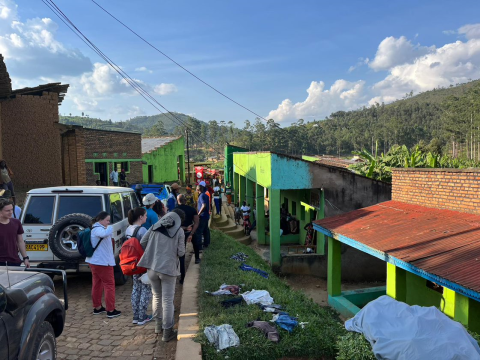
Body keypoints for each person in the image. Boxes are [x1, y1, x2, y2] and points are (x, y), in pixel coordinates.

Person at [138, 209, 186, 341]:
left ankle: (157, 327)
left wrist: (154, 250)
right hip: (168, 269)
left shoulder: (155, 226)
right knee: (167, 300)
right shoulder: (179, 231)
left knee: (157, 297)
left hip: (152, 267)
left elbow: (142, 241)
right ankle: (167, 332)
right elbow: (181, 253)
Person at [86, 211, 121, 318]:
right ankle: (110, 310)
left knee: (97, 284)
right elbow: (104, 234)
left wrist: (108, 227)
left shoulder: (95, 228)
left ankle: (97, 307)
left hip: (95, 262)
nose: (108, 222)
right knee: (109, 285)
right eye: (107, 220)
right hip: (103, 263)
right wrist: (112, 227)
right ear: (100, 220)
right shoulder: (98, 229)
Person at [126, 207, 152, 326]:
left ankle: (135, 316)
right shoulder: (142, 230)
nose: (146, 217)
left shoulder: (128, 229)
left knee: (136, 288)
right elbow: (148, 247)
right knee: (145, 289)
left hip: (131, 263)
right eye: (145, 215)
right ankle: (143, 317)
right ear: (140, 217)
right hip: (142, 263)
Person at [0, 197, 29, 268]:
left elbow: (20, 241)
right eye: (7, 211)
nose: (11, 212)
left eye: (12, 210)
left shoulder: (16, 222)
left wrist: (25, 258)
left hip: (14, 261)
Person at [177, 194, 200, 276]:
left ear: (178, 201)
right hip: (191, 230)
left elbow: (172, 224)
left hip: (180, 232)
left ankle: (181, 266)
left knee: (181, 249)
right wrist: (192, 233)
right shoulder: (192, 209)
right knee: (196, 243)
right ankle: (197, 258)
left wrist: (183, 228)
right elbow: (197, 222)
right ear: (185, 201)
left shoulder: (175, 210)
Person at [196, 183, 211, 250]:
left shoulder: (201, 196)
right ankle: (206, 243)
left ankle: (199, 247)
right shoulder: (206, 196)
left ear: (198, 189)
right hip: (206, 215)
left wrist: (198, 214)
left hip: (202, 216)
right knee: (205, 230)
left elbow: (204, 205)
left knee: (199, 231)